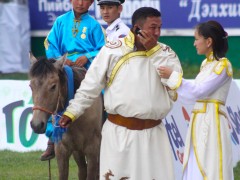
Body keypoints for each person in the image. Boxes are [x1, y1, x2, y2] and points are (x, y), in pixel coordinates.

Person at [59, 7, 182, 179]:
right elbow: (90, 86)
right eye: (153, 27)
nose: (157, 32)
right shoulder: (113, 50)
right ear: (136, 28)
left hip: (154, 138)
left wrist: (154, 52)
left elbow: (175, 86)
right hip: (119, 135)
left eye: (159, 28)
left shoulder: (166, 53)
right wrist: (72, 112)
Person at [158, 20, 234, 180]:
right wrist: (172, 86)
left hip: (213, 124)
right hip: (199, 123)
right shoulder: (206, 65)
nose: (194, 43)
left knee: (211, 166)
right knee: (196, 164)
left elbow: (199, 91)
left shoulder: (222, 66)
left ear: (208, 41)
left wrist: (173, 77)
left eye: (196, 38)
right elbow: (194, 90)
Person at [41, 0, 105, 161]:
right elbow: (49, 43)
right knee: (49, 93)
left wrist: (87, 57)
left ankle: (102, 132)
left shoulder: (95, 25)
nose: (81, 3)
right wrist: (61, 59)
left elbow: (104, 48)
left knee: (104, 93)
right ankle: (52, 138)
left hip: (87, 70)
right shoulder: (60, 21)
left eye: (85, 0)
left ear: (91, 3)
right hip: (63, 68)